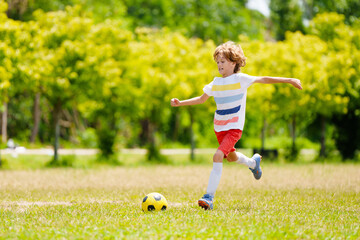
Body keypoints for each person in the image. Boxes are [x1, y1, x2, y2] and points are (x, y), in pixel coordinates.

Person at [170, 41, 302, 210]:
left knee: (218, 156)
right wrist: (180, 103)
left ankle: (208, 197)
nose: (219, 65)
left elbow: (263, 79)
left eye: (222, 62)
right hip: (219, 128)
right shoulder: (215, 82)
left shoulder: (241, 79)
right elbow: (202, 99)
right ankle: (254, 164)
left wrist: (289, 80)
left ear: (233, 62)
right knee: (231, 157)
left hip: (234, 129)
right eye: (217, 62)